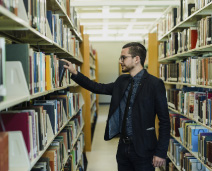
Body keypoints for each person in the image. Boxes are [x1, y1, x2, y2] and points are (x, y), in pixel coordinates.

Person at [62, 42, 170, 171]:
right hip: (123, 148)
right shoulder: (121, 81)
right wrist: (75, 73)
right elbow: (98, 87)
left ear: (136, 59)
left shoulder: (154, 84)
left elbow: (164, 121)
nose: (120, 61)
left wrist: (161, 152)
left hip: (144, 148)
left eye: (123, 57)